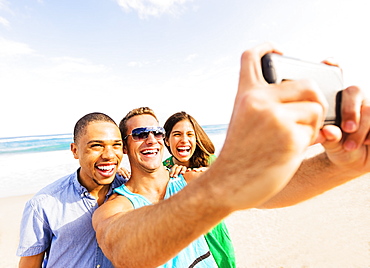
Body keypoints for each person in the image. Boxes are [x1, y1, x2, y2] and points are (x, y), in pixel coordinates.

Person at [92, 43, 370, 268]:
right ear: (124, 146)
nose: (151, 139)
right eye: (140, 134)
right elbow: (124, 250)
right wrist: (226, 180)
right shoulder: (114, 206)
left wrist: (342, 165)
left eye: (156, 132)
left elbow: (270, 190)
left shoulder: (190, 179)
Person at [17, 112, 127, 268]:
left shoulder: (130, 191)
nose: (109, 155)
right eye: (96, 145)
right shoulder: (43, 205)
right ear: (75, 150)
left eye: (116, 145)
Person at [163, 111, 235, 268]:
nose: (184, 140)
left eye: (190, 134)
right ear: (167, 141)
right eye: (177, 134)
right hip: (185, 247)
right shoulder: (163, 170)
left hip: (215, 237)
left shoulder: (210, 163)